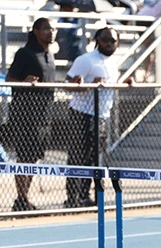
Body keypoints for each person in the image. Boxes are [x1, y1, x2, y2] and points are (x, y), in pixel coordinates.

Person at [64, 27, 133, 208]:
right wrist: (86, 85)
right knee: (78, 156)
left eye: (113, 41)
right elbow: (66, 84)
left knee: (94, 157)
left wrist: (123, 84)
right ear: (97, 40)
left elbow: (108, 86)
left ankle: (85, 195)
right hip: (82, 113)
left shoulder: (112, 62)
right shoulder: (86, 60)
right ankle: (72, 198)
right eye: (105, 40)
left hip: (102, 115)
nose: (109, 44)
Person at [6, 18, 56, 211]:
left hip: (44, 116)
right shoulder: (25, 53)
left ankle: (25, 197)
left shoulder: (49, 54)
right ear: (35, 31)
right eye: (46, 29)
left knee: (34, 158)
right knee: (24, 157)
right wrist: (24, 81)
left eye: (53, 29)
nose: (51, 32)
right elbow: (10, 79)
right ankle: (20, 198)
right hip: (25, 115)